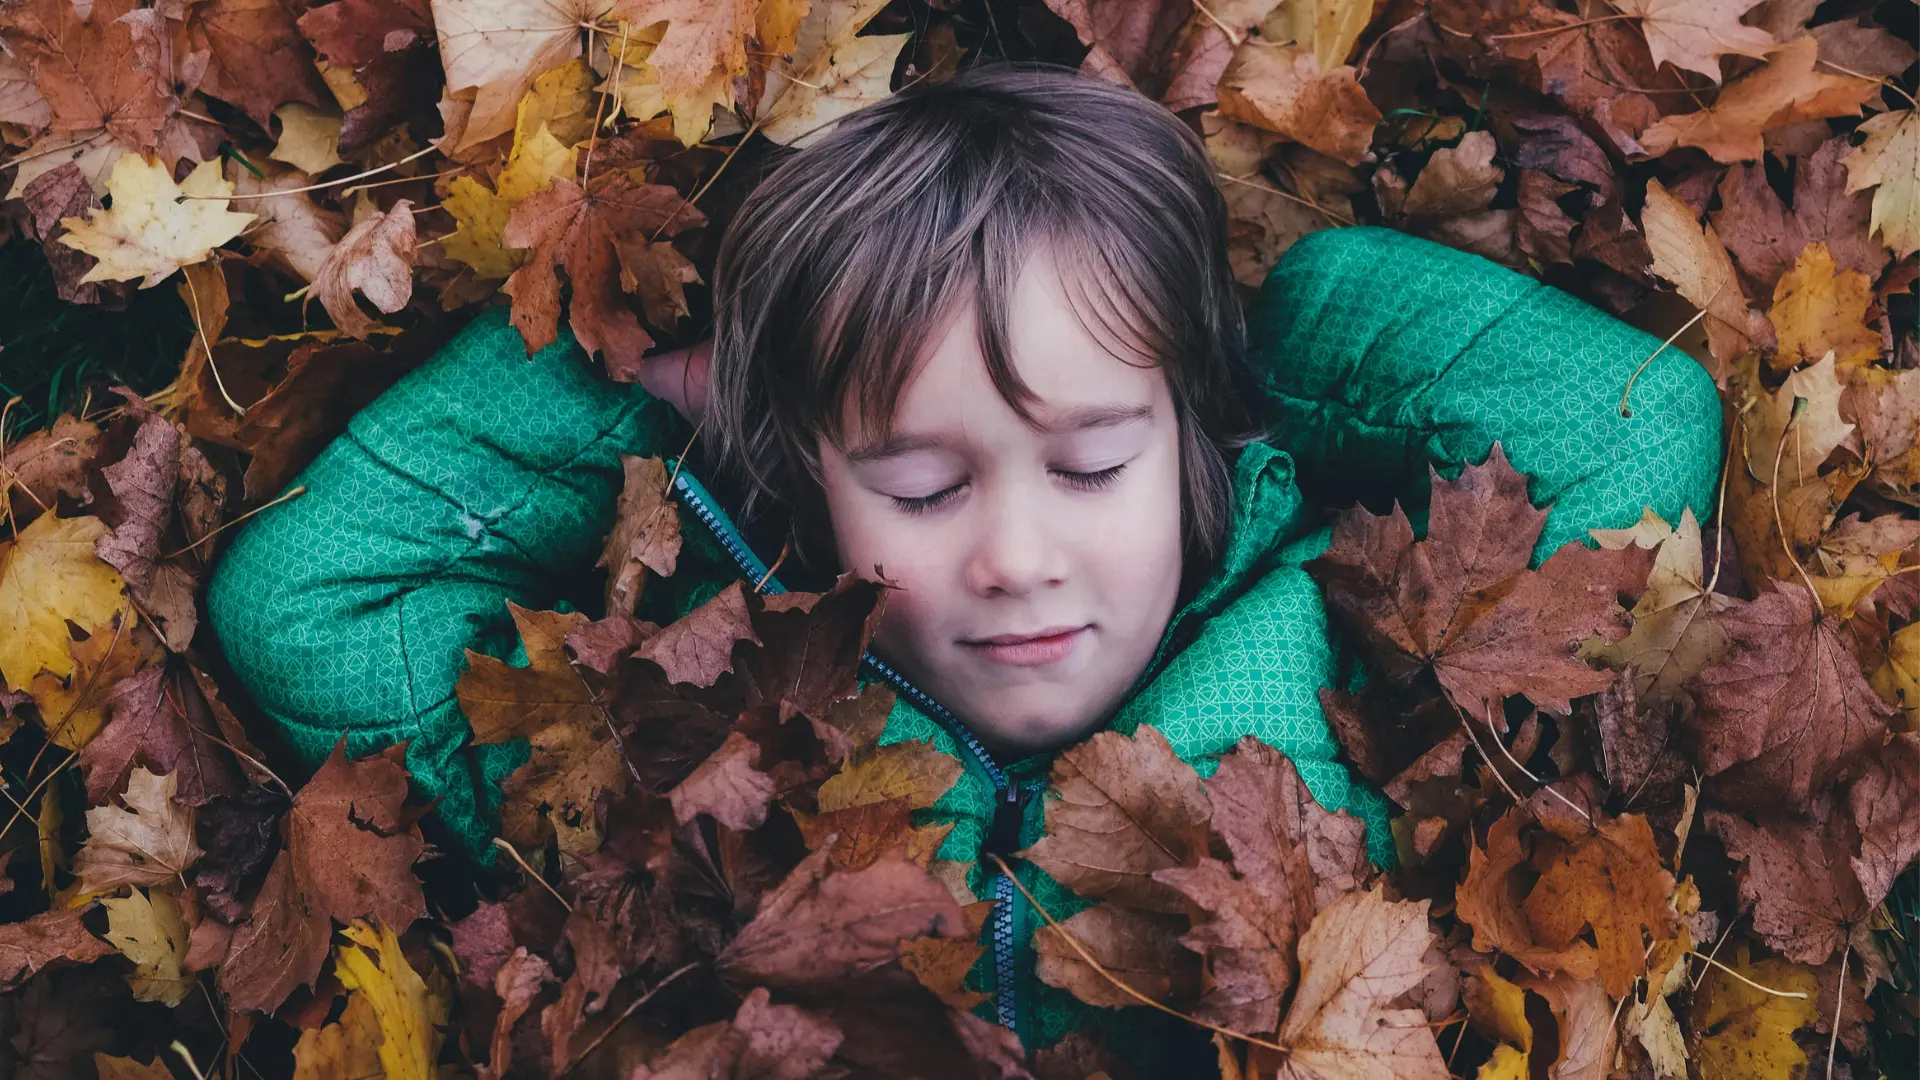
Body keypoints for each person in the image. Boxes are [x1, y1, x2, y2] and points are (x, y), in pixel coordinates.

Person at [208, 64, 1721, 1059]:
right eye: (923, 484)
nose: (1017, 554)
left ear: (1188, 435)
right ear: (811, 485)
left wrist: (1271, 338)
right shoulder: (684, 737)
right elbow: (308, 598)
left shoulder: (1352, 650)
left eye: (1091, 463)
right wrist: (645, 381)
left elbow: (1635, 424)